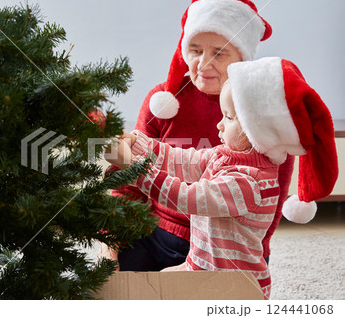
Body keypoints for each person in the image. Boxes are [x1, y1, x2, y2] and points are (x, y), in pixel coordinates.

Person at [105, 57, 338, 299]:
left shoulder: (250, 182)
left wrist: (134, 168)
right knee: (156, 286)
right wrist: (137, 143)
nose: (219, 124)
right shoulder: (226, 155)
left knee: (159, 294)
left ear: (257, 129)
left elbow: (186, 198)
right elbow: (183, 160)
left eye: (228, 117)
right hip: (200, 266)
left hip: (233, 286)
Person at [102, 0, 294, 270]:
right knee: (109, 287)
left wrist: (253, 252)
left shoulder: (260, 114)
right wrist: (110, 242)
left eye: (219, 53)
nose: (203, 64)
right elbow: (176, 161)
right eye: (195, 50)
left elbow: (271, 199)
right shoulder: (162, 101)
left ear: (243, 58)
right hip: (158, 233)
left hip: (223, 247)